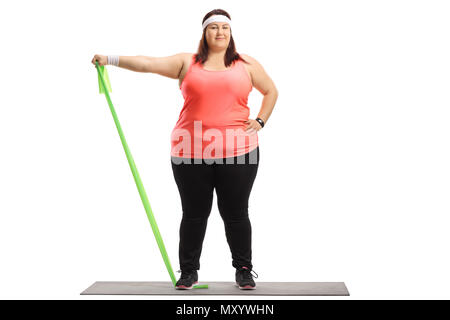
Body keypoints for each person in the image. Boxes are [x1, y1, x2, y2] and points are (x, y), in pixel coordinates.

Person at [91, 8, 278, 290]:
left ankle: (243, 269)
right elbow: (147, 63)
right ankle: (189, 272)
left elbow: (271, 90)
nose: (220, 32)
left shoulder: (246, 64)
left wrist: (261, 120)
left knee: (236, 212)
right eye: (213, 27)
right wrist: (110, 59)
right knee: (193, 213)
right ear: (204, 33)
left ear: (231, 33)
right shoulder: (186, 62)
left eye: (225, 28)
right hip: (189, 149)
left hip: (239, 149)